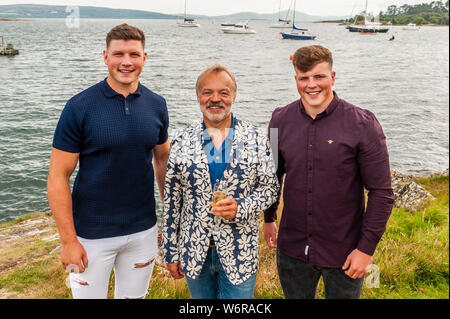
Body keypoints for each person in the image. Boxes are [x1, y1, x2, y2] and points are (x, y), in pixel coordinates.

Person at [47, 23, 170, 299]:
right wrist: (68, 240)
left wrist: (169, 219)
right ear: (105, 56)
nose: (126, 62)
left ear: (144, 58)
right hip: (91, 235)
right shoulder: (79, 107)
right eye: (118, 54)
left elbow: (162, 162)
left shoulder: (157, 105)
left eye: (134, 54)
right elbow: (57, 177)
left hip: (143, 231)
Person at [264, 45, 394, 299]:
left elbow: (381, 193)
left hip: (345, 251)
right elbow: (273, 174)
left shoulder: (363, 124)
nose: (312, 84)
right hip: (292, 249)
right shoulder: (279, 120)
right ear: (296, 80)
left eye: (319, 76)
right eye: (304, 78)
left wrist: (365, 249)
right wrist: (269, 218)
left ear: (333, 77)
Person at [161, 64, 279, 299]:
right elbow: (172, 201)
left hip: (239, 252)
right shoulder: (181, 139)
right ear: (198, 97)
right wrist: (170, 251)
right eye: (207, 92)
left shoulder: (256, 138)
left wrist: (241, 207)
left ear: (233, 97)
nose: (215, 99)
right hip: (194, 251)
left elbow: (270, 189)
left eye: (223, 93)